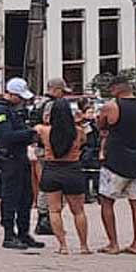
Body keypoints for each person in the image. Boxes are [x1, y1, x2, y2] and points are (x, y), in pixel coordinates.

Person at [0, 77, 45, 250]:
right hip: (10, 159)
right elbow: (6, 137)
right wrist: (30, 133)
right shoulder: (0, 111)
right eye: (19, 97)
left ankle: (23, 232)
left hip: (21, 158)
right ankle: (8, 234)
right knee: (10, 197)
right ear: (11, 94)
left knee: (25, 196)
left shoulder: (14, 110)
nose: (21, 101)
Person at [97, 76, 136, 255]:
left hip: (115, 160)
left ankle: (113, 243)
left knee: (107, 200)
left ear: (117, 88)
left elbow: (102, 124)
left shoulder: (112, 106)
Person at [35, 96, 90, 255]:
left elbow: (35, 129)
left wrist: (45, 121)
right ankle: (83, 245)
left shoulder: (44, 131)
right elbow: (85, 141)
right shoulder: (78, 132)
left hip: (52, 169)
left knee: (54, 210)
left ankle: (63, 246)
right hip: (72, 169)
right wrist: (78, 121)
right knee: (78, 211)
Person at [35, 78, 72, 235]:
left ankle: (45, 217)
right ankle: (46, 219)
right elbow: (50, 123)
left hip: (42, 147)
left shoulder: (39, 102)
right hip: (50, 148)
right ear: (56, 89)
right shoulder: (51, 104)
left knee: (47, 182)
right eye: (62, 91)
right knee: (51, 185)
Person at [77, 99, 102, 204]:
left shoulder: (95, 124)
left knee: (96, 175)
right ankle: (86, 195)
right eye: (89, 112)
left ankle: (98, 193)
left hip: (95, 151)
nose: (92, 114)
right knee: (85, 175)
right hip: (87, 151)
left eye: (93, 112)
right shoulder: (84, 125)